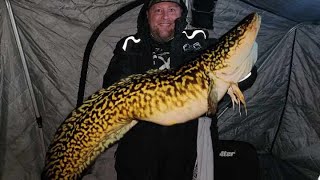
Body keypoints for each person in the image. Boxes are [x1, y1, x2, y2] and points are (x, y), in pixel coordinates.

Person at [102, 0, 257, 180]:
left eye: (172, 9)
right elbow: (112, 88)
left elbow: (243, 77)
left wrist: (242, 69)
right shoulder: (130, 46)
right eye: (158, 10)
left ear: (181, 14)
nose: (165, 16)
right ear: (147, 15)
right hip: (141, 139)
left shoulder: (199, 41)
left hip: (192, 139)